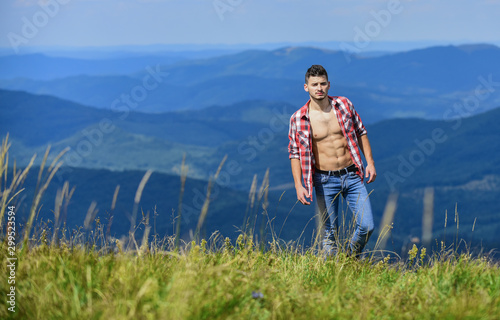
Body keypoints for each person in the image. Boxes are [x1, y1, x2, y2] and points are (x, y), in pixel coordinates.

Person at [288, 65, 376, 257]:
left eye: (322, 84)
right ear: (306, 87)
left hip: (352, 175)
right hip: (324, 180)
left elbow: (361, 132)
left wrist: (370, 163)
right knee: (330, 235)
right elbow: (294, 153)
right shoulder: (299, 118)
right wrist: (298, 185)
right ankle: (334, 273)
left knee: (367, 226)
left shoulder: (344, 105)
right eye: (314, 85)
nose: (319, 88)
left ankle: (350, 258)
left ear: (329, 85)